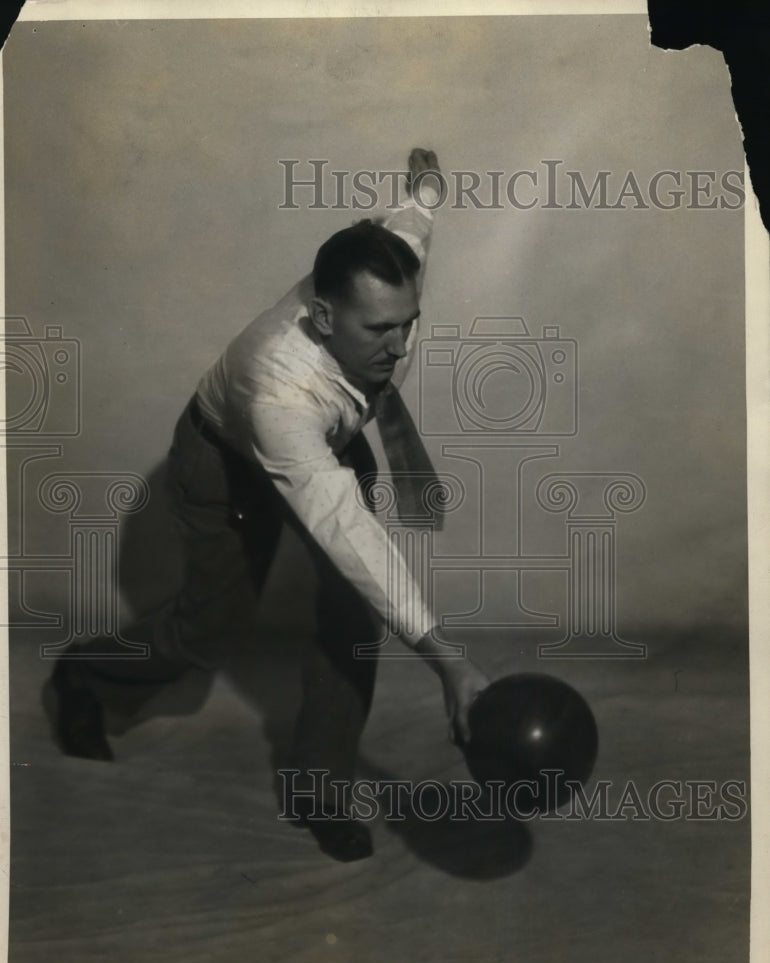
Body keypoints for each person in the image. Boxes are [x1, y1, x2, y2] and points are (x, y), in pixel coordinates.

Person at [51, 148, 489, 862]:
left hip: (329, 437)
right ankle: (85, 674)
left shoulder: (389, 271)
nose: (400, 344)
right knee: (211, 629)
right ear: (320, 317)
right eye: (379, 331)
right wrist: (446, 660)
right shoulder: (279, 391)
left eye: (409, 323)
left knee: (352, 616)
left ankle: (319, 789)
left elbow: (412, 224)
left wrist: (424, 189)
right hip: (225, 461)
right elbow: (346, 530)